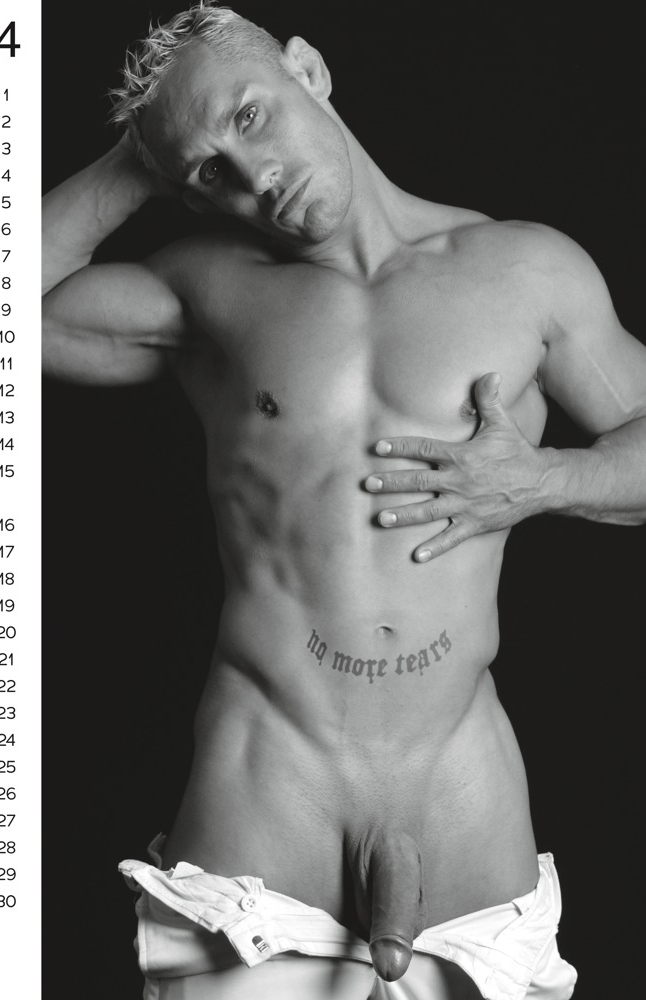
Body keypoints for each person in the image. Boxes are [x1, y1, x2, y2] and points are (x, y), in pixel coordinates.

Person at [42, 3, 646, 997]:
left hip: (459, 783)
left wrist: (541, 481)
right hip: (268, 779)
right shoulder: (206, 295)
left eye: (248, 117)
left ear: (308, 70)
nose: (253, 175)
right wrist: (140, 158)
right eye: (209, 173)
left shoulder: (525, 270)